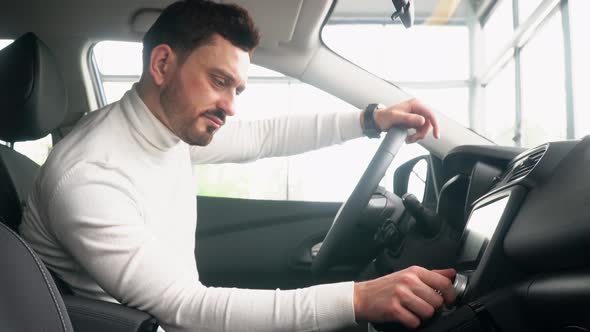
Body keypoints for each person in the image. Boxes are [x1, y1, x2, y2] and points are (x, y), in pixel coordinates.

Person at [19, 0, 456, 331]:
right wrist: (357, 299)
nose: (229, 107)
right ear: (162, 64)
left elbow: (263, 136)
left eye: (237, 90)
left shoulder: (163, 128)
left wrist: (371, 120)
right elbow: (185, 307)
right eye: (219, 81)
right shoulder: (89, 176)